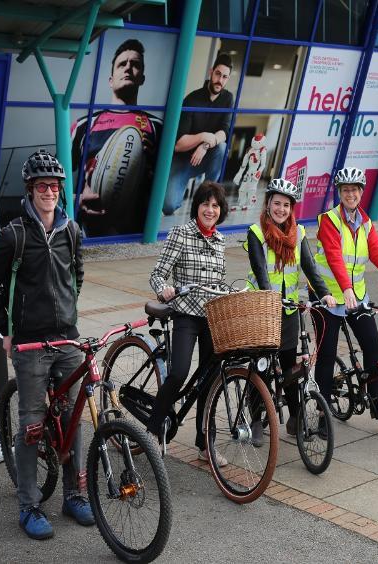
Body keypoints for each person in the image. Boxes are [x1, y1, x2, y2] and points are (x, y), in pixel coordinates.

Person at [0, 150, 92, 540]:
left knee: (76, 418)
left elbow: (76, 274)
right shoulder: (14, 234)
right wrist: (7, 326)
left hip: (67, 338)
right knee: (30, 424)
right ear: (30, 189)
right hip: (29, 344)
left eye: (55, 186)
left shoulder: (71, 230)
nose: (49, 192)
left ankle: (74, 495)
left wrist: (68, 315)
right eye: (43, 186)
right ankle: (29, 504)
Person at [313, 166, 378, 422]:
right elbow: (334, 256)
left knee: (371, 344)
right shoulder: (329, 220)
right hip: (328, 298)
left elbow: (377, 253)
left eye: (355, 190)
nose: (350, 194)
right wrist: (345, 289)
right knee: (326, 354)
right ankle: (323, 411)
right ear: (340, 193)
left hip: (356, 295)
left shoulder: (366, 222)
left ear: (361, 192)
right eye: (346, 190)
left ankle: (375, 398)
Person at [245, 178, 336, 436]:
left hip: (288, 311)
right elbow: (261, 271)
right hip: (263, 309)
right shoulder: (256, 232)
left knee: (290, 367)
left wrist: (325, 294)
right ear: (268, 204)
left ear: (291, 208)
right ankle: (256, 418)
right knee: (260, 365)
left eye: (286, 205)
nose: (281, 209)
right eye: (277, 203)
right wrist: (269, 297)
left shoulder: (299, 234)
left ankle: (295, 417)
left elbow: (309, 267)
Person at [148, 181, 229, 466]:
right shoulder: (181, 234)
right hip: (186, 314)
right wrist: (164, 289)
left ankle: (205, 444)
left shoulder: (220, 242)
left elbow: (218, 282)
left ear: (221, 211)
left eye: (215, 205)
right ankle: (153, 432)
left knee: (210, 381)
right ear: (197, 206)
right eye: (206, 204)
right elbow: (157, 274)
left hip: (212, 317)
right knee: (180, 372)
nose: (210, 210)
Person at [72, 38, 162, 236]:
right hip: (88, 230)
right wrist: (76, 198)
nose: (128, 68)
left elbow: (166, 183)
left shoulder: (156, 128)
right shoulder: (85, 125)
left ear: (142, 78)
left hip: (135, 233)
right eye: (122, 64)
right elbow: (57, 177)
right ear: (111, 79)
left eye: (135, 64)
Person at [164, 53, 234, 216]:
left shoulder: (228, 98)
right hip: (184, 160)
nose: (220, 80)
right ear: (211, 72)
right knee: (168, 206)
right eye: (218, 74)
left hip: (205, 157)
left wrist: (205, 145)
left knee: (222, 148)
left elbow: (224, 132)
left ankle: (209, 197)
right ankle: (180, 191)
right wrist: (203, 136)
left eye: (225, 77)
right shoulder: (191, 100)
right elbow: (178, 144)